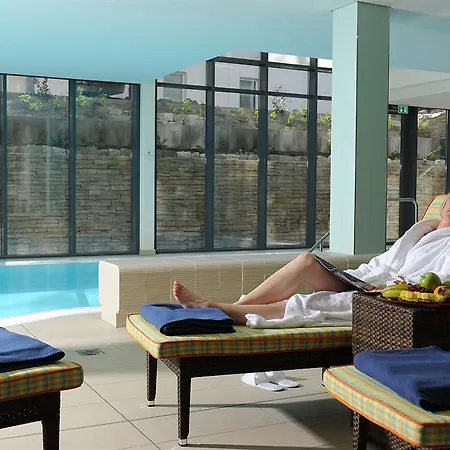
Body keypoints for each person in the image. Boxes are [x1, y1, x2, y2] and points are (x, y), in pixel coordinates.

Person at [173, 195, 450, 329]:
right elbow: (384, 262)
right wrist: (356, 276)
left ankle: (218, 309)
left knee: (314, 302)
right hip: (367, 280)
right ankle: (238, 305)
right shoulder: (423, 229)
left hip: (389, 295)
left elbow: (439, 282)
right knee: (305, 260)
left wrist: (389, 289)